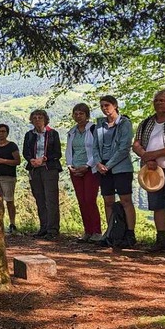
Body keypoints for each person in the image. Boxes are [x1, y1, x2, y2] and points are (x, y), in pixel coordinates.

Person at [92, 95, 136, 244]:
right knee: (108, 200)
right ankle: (110, 233)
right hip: (103, 167)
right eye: (102, 106)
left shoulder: (125, 123)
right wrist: (98, 163)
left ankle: (130, 234)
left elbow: (124, 148)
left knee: (125, 200)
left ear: (115, 105)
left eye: (107, 105)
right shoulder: (99, 125)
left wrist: (108, 165)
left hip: (121, 167)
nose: (105, 108)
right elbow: (95, 147)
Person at [133, 89, 165, 253]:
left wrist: (154, 155)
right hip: (152, 172)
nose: (159, 103)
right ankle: (161, 240)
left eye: (162, 100)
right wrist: (146, 157)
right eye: (156, 101)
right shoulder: (147, 122)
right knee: (157, 206)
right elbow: (136, 144)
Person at [22, 109, 62, 239]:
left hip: (49, 168)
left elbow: (57, 153)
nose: (37, 120)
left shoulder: (53, 134)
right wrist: (31, 160)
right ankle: (43, 227)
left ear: (45, 119)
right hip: (34, 169)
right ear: (31, 120)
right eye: (35, 117)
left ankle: (53, 229)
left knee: (51, 199)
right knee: (39, 198)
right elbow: (25, 151)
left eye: (40, 117)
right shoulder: (29, 135)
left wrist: (44, 159)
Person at [65, 103, 102, 243]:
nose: (78, 116)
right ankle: (87, 231)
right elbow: (69, 150)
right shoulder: (72, 131)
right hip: (75, 170)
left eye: (81, 113)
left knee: (90, 200)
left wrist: (87, 166)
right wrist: (70, 166)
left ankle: (97, 231)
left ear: (87, 115)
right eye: (76, 113)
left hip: (90, 169)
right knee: (81, 201)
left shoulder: (93, 129)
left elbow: (96, 149)